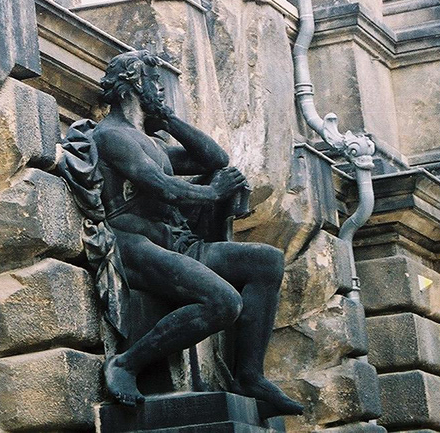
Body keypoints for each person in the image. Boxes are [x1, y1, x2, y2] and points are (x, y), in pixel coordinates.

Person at [89, 51, 302, 414]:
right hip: (133, 243)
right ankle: (126, 364)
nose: (159, 88)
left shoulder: (152, 142)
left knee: (266, 261)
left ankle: (250, 376)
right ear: (135, 82)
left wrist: (168, 119)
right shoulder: (112, 136)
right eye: (154, 82)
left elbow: (214, 160)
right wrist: (213, 193)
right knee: (223, 302)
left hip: (177, 242)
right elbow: (161, 186)